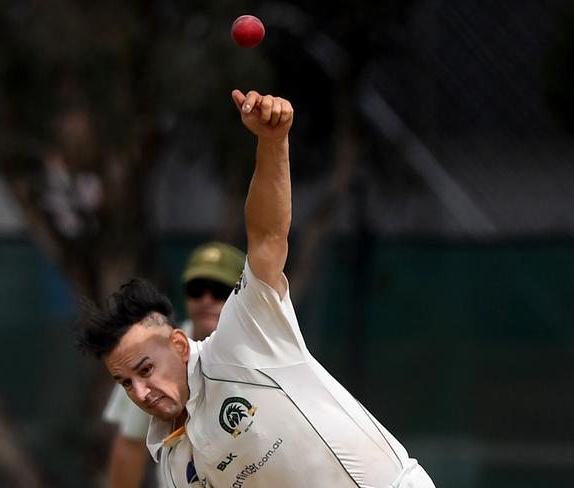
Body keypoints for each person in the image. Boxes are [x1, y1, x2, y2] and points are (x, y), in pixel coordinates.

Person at [75, 89, 435, 487]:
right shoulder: (175, 462)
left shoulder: (242, 337)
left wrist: (272, 141)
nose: (140, 391)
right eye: (125, 382)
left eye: (145, 370)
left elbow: (266, 237)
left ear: (179, 344)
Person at [102, 241, 245, 488]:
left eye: (220, 290)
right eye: (196, 289)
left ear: (242, 293)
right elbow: (130, 444)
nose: (206, 300)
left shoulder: (261, 349)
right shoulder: (153, 351)